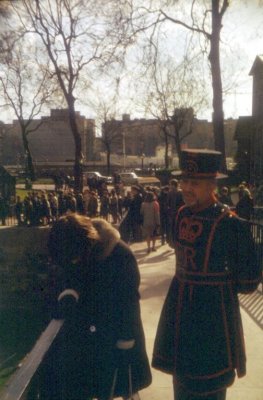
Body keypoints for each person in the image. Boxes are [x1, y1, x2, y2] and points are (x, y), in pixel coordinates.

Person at [152, 149, 261, 400]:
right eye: (185, 182)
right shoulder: (181, 214)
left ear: (212, 185)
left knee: (209, 382)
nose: (187, 188)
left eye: (195, 183)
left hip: (212, 315)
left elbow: (247, 281)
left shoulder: (229, 222)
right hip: (180, 307)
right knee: (182, 381)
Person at [43, 213, 152, 400]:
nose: (74, 262)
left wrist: (125, 339)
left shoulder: (120, 255)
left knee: (125, 384)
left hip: (118, 330)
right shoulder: (82, 248)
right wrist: (67, 296)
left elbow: (129, 302)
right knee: (102, 384)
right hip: (95, 330)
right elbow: (72, 277)